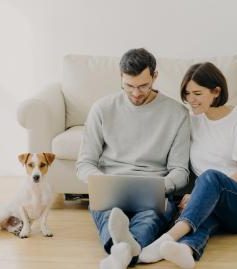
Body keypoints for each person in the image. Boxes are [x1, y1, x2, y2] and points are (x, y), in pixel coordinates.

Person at [138, 62, 237, 269]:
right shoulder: (192, 122)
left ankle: (166, 239)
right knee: (202, 216)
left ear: (216, 91)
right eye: (187, 93)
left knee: (210, 177)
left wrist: (200, 192)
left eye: (197, 93)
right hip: (214, 204)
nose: (191, 100)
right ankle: (186, 251)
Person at [75, 48, 190, 269]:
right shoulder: (102, 108)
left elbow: (180, 171)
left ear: (155, 76)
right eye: (129, 86)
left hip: (154, 189)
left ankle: (121, 250)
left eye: (143, 86)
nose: (136, 93)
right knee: (106, 212)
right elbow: (84, 163)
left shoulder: (177, 113)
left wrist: (161, 185)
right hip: (111, 185)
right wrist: (102, 183)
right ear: (120, 76)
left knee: (150, 216)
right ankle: (129, 249)